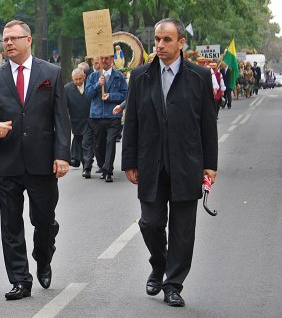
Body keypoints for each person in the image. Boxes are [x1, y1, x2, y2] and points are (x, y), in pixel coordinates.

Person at [122, 18, 218, 308]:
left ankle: (173, 284)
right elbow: (133, 123)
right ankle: (159, 263)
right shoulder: (140, 76)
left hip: (187, 163)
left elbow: (207, 125)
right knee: (150, 222)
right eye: (157, 40)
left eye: (166, 40)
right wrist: (129, 161)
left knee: (183, 230)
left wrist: (210, 164)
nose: (160, 45)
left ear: (181, 43)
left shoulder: (199, 76)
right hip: (150, 163)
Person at [0, 20, 71, 300]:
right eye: (5, 39)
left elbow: (61, 118)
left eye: (13, 38)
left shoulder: (51, 73)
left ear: (28, 40)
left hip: (42, 161)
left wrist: (62, 155)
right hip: (7, 162)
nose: (7, 43)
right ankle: (21, 280)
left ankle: (43, 257)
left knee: (43, 221)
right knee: (10, 224)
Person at [84, 54, 127, 183]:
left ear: (112, 59)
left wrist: (111, 96)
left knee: (110, 142)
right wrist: (98, 85)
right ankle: (103, 166)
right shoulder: (93, 76)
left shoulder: (119, 76)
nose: (104, 61)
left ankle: (108, 170)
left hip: (113, 115)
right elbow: (88, 94)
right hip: (97, 115)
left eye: (107, 58)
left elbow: (126, 95)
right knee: (99, 144)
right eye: (102, 58)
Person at [64, 68, 93, 176]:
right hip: (76, 122)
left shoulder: (90, 86)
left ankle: (87, 168)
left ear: (84, 77)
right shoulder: (67, 89)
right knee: (80, 144)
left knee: (87, 143)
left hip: (90, 120)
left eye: (80, 79)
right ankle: (84, 163)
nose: (78, 81)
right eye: (75, 79)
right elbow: (64, 107)